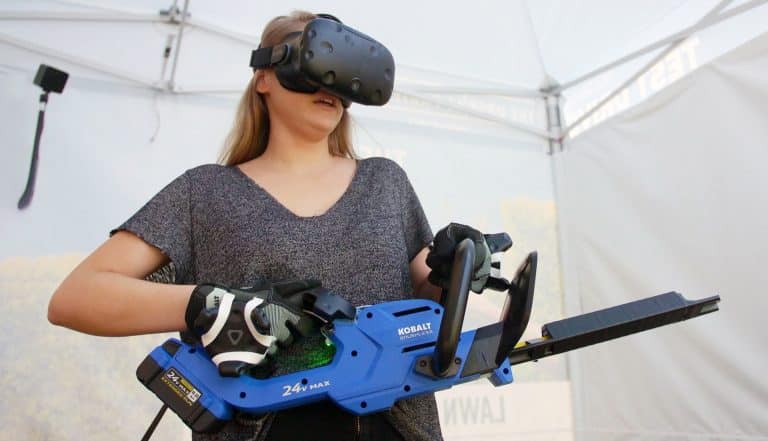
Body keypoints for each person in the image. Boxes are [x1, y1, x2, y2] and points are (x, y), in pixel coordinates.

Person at [48, 10, 496, 441]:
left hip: (399, 425)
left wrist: (453, 270)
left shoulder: (385, 182)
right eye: (316, 60)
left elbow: (427, 307)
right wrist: (210, 307)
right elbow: (76, 297)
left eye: (344, 71)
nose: (331, 84)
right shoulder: (205, 192)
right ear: (264, 77)